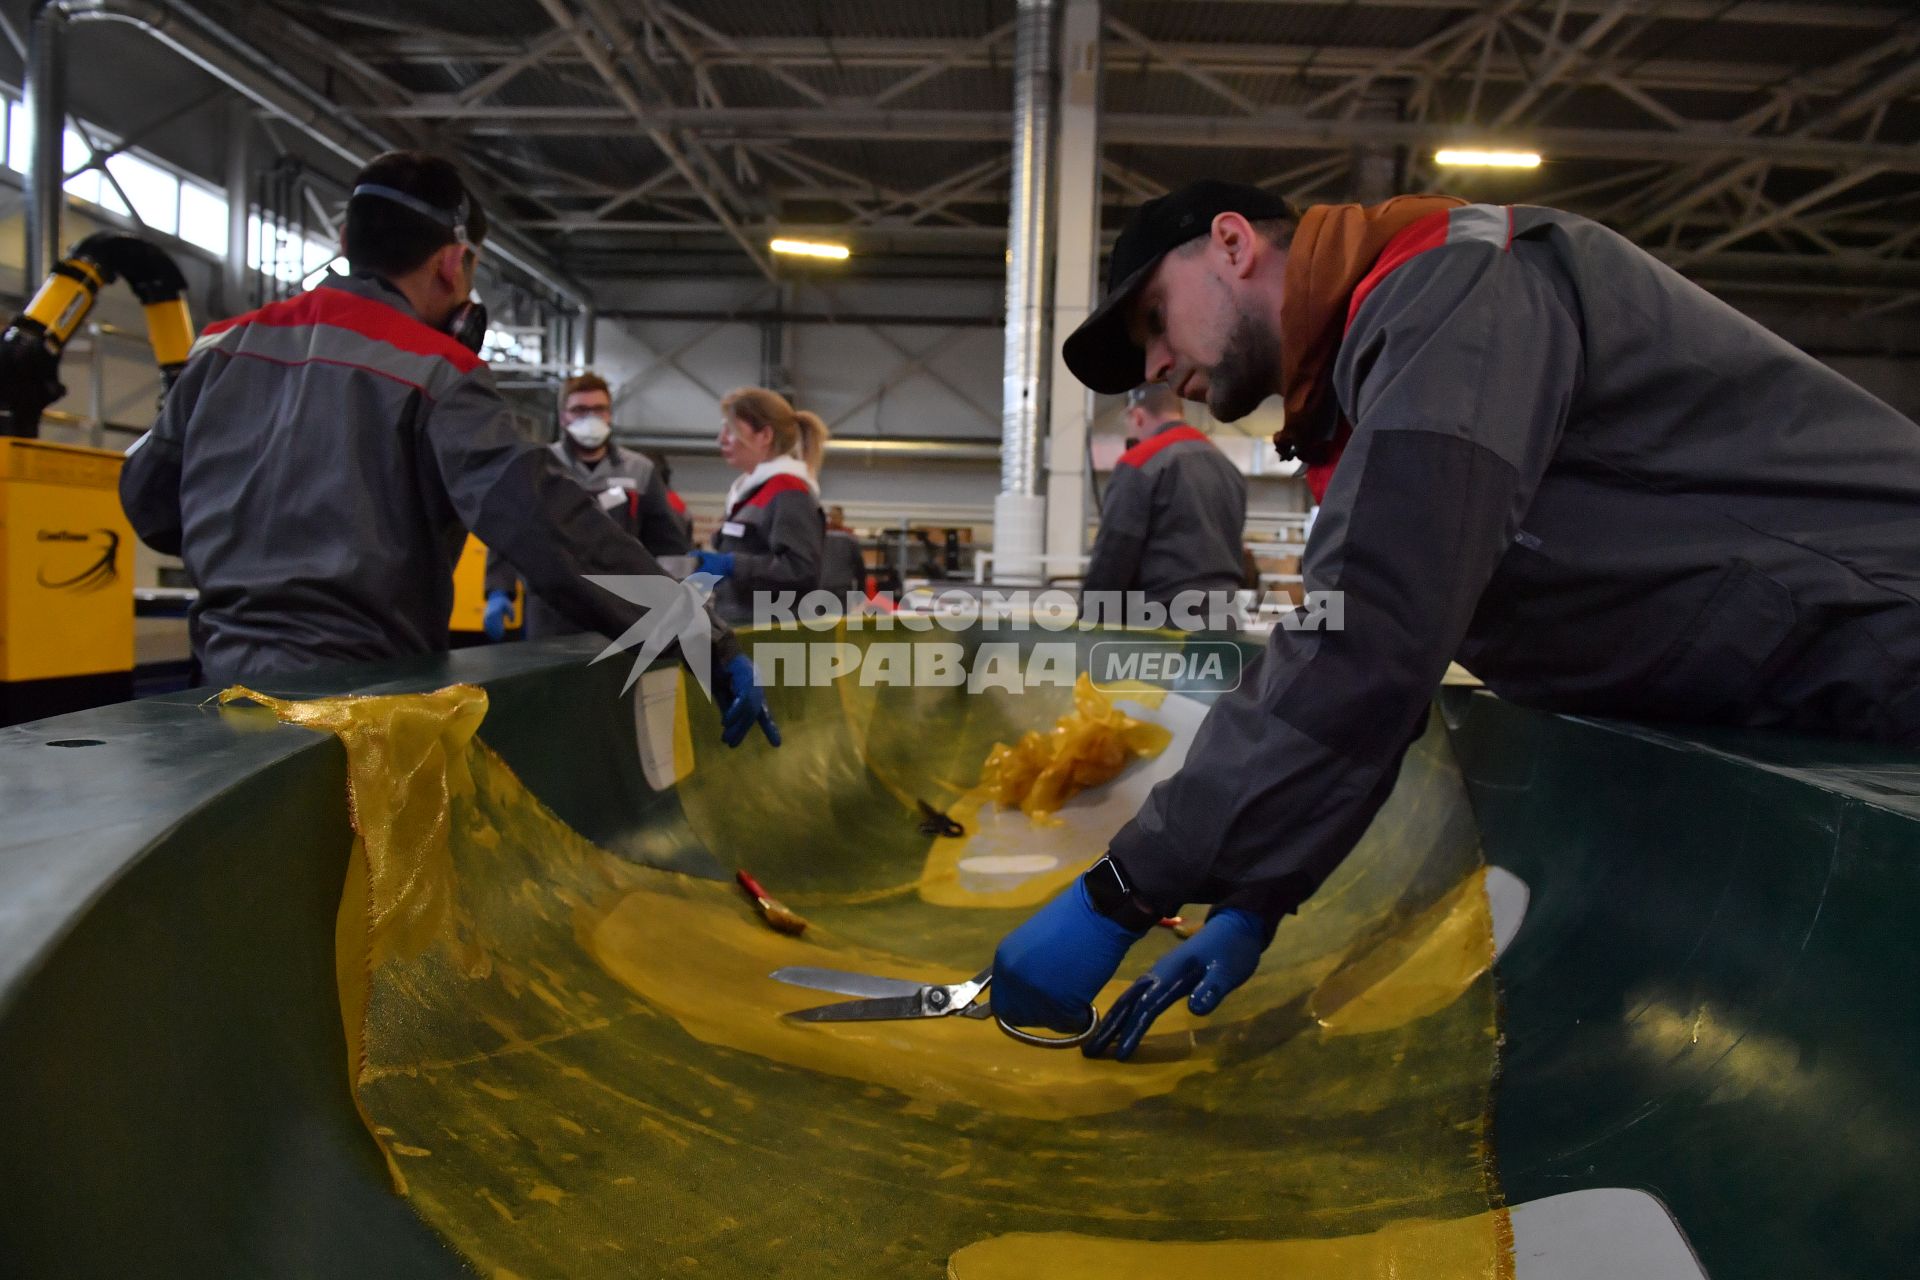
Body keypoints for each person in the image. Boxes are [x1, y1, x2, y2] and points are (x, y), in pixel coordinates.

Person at [992, 179, 1920, 1058]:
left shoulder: (1460, 288)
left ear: (1232, 245)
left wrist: (1119, 892)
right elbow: (1384, 656)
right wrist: (1255, 897)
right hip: (1826, 673)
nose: (1156, 368)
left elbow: (1372, 640)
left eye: (1153, 320)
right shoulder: (1366, 397)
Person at [118, 149, 775, 747]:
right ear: (452, 262)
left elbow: (149, 504)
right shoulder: (434, 369)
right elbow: (551, 529)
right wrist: (705, 642)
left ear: (348, 242)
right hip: (362, 718)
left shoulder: (220, 347)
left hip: (217, 699)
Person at [482, 373, 692, 641]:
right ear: (562, 417)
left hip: (624, 609)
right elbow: (509, 529)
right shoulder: (539, 468)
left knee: (619, 681)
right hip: (552, 610)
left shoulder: (639, 471)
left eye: (598, 409)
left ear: (609, 415)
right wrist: (499, 589)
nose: (590, 417)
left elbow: (670, 543)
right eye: (579, 410)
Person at [1083, 382, 1246, 614]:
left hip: (1165, 622)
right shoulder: (1226, 466)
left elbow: (1115, 551)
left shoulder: (1141, 461)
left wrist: (1089, 621)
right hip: (1224, 615)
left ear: (1137, 416)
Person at [695, 388, 827, 624]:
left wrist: (733, 564)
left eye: (731, 430)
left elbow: (800, 569)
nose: (721, 439)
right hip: (747, 626)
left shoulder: (789, 492)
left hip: (772, 634)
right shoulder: (752, 492)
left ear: (764, 435)